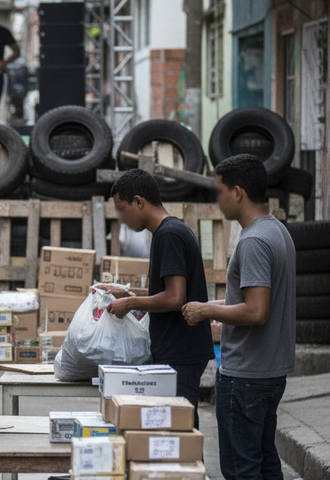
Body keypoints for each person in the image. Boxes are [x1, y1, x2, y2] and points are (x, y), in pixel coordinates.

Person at [182, 154, 295, 480]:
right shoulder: (277, 232)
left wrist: (205, 310)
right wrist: (210, 305)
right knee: (264, 459)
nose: (217, 200)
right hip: (270, 372)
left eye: (219, 192)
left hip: (246, 375)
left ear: (237, 192)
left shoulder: (254, 241)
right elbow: (248, 301)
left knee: (240, 468)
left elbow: (256, 311)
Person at [100, 169, 214, 430]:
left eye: (121, 209)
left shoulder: (168, 235)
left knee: (180, 429)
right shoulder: (169, 231)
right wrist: (126, 292)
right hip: (178, 350)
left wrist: (129, 304)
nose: (121, 218)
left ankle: (188, 472)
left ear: (139, 202)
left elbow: (175, 297)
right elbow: (164, 291)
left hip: (181, 352)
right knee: (173, 426)